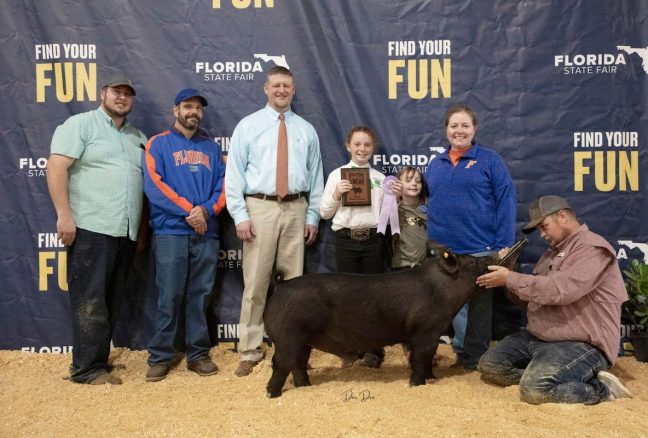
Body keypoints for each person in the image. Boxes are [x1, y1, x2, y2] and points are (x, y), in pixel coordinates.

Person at [476, 195, 632, 404]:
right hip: (539, 338)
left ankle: (603, 390)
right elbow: (533, 301)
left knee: (535, 390)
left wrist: (511, 278)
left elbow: (561, 291)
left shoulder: (592, 248)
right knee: (490, 365)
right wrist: (509, 275)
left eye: (544, 226)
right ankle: (562, 376)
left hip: (579, 345)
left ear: (562, 216)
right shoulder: (551, 254)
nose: (542, 234)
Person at [46, 71, 147, 385]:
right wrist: (64, 215)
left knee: (112, 299)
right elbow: (56, 166)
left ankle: (98, 361)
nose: (121, 97)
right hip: (90, 225)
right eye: (116, 91)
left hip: (125, 230)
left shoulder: (137, 137)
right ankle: (86, 369)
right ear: (102, 93)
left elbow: (143, 187)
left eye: (127, 93)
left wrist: (140, 231)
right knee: (90, 298)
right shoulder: (80, 125)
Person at [225, 66, 324, 377]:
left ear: (293, 91)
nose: (281, 90)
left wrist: (312, 216)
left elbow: (316, 177)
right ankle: (250, 349)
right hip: (260, 207)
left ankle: (290, 348)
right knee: (255, 284)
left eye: (287, 86)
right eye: (276, 85)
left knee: (294, 287)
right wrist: (240, 214)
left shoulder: (306, 130)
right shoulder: (248, 126)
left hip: (296, 207)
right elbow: (234, 175)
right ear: (266, 89)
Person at [424, 104, 516, 369]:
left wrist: (503, 242)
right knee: (451, 304)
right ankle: (461, 349)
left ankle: (474, 356)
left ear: (474, 129)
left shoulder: (490, 160)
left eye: (465, 125)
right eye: (454, 125)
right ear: (446, 130)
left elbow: (506, 200)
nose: (459, 131)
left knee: (478, 307)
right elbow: (429, 201)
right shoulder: (436, 164)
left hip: (479, 247)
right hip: (443, 250)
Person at [143, 88, 226, 382]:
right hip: (171, 231)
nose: (193, 112)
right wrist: (190, 211)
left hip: (206, 231)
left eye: (198, 108)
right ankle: (160, 356)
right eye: (187, 106)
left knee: (200, 296)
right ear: (175, 110)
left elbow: (223, 187)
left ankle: (198, 354)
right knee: (169, 295)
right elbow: (155, 186)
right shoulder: (158, 144)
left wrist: (205, 211)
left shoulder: (212, 149)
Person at [320, 125, 401, 368]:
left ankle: (374, 352)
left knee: (373, 298)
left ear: (373, 149)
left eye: (367, 145)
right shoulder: (337, 175)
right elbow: (324, 213)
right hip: (345, 241)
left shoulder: (380, 180)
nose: (362, 149)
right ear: (348, 146)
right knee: (346, 298)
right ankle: (350, 349)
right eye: (357, 144)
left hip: (373, 241)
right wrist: (336, 193)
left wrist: (396, 197)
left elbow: (388, 217)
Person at [391, 166, 428, 270]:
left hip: (425, 267)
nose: (414, 184)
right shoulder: (393, 209)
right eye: (408, 180)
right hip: (401, 267)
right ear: (398, 184)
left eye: (418, 181)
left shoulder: (429, 209)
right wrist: (394, 199)